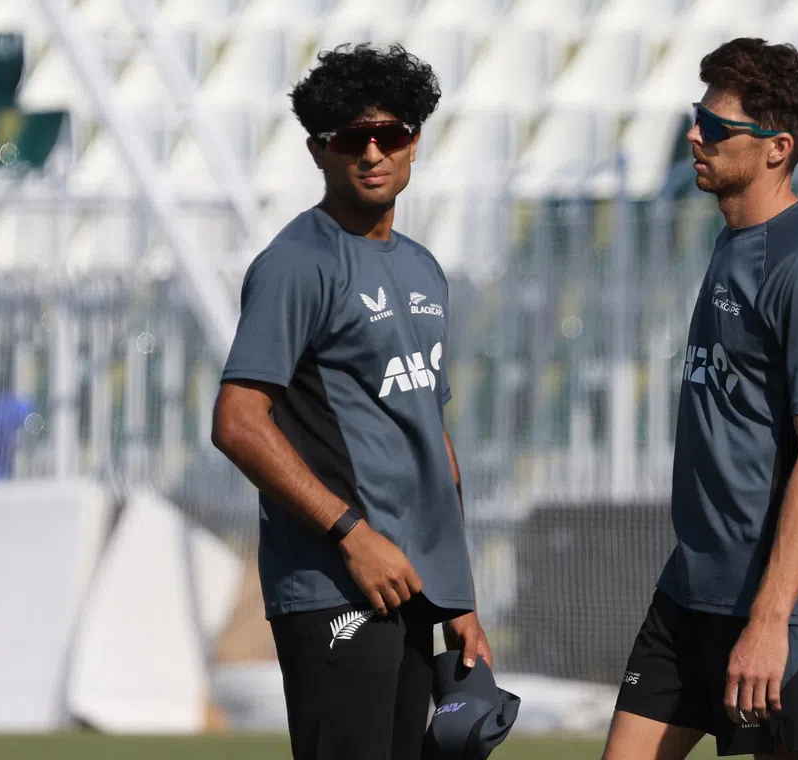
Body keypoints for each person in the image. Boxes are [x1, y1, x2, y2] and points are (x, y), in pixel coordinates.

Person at [603, 38, 798, 760]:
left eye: (715, 125)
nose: (694, 136)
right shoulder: (736, 241)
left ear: (776, 149)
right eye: (696, 116)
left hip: (785, 610)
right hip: (694, 588)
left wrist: (770, 620)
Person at [211, 43, 490, 760]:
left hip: (414, 585)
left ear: (414, 141)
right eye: (349, 138)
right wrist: (352, 536)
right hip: (335, 584)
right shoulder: (295, 263)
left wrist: (458, 597)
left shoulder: (424, 267)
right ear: (318, 150)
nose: (371, 152)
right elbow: (237, 422)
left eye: (389, 134)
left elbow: (429, 434)